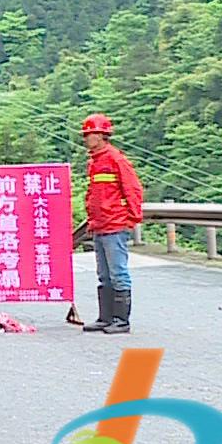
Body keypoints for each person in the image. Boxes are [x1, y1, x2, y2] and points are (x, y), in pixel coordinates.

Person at [80, 113, 145, 334]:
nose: (86, 138)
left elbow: (133, 189)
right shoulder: (96, 162)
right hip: (100, 225)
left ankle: (121, 320)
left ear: (101, 135)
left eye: (90, 134)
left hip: (114, 225)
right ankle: (105, 318)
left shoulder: (116, 159)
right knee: (104, 274)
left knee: (118, 273)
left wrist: (132, 218)